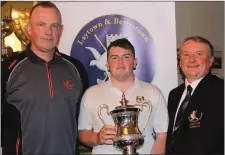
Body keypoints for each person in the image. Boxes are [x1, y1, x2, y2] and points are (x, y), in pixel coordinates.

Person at [1, 2, 88, 154]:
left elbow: (85, 121)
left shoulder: (76, 69)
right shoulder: (8, 69)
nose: (48, 31)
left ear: (60, 30)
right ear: (29, 29)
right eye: (41, 24)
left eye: (54, 26)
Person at [78, 38, 168, 154]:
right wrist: (97, 138)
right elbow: (82, 133)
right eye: (114, 58)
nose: (120, 62)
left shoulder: (153, 92)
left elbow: (161, 135)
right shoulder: (91, 94)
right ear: (107, 64)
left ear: (135, 62)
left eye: (126, 57)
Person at [166, 36, 224, 154]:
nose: (191, 60)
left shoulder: (221, 90)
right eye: (186, 54)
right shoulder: (174, 95)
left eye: (199, 54)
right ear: (180, 61)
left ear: (211, 60)